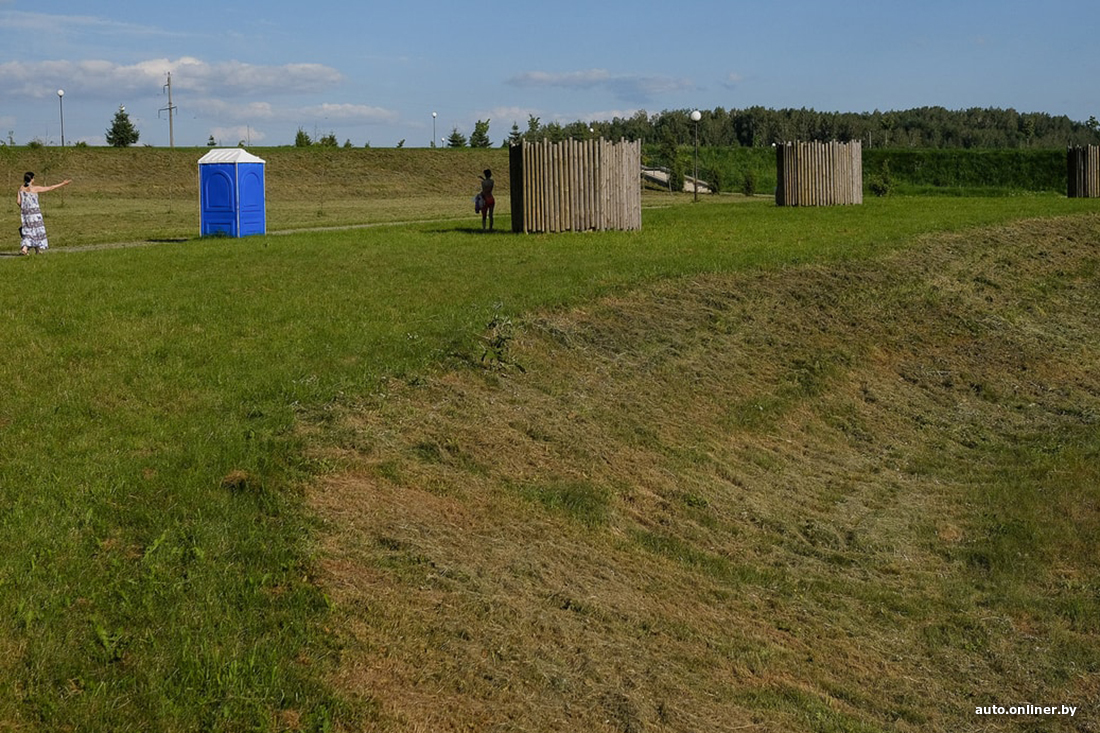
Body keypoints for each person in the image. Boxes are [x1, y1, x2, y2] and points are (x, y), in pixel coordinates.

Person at [17, 171, 71, 255]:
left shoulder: (21, 188)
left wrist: (25, 207)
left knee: (28, 230)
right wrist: (63, 183)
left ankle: (36, 250)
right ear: (31, 179)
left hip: (25, 214)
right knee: (37, 230)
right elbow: (50, 188)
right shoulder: (34, 188)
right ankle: (25, 248)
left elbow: (18, 201)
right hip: (35, 214)